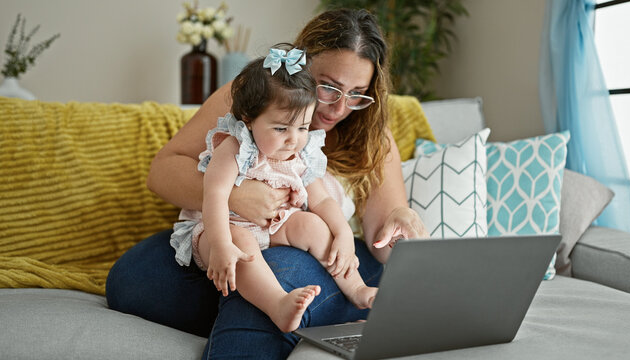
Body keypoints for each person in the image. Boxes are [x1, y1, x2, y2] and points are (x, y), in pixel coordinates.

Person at [106, 8, 427, 358]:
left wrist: (400, 218)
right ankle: (253, 299)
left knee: (275, 278)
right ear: (300, 67)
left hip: (327, 259)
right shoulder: (250, 98)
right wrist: (236, 196)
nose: (338, 109)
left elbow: (377, 235)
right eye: (329, 88)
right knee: (133, 278)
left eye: (357, 94)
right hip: (232, 234)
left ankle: (269, 306)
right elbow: (163, 172)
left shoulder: (372, 137)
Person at [170, 46, 378, 333]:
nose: (294, 140)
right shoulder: (234, 148)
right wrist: (220, 245)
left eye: (303, 128)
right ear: (249, 119)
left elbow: (321, 200)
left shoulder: (302, 154)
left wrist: (343, 234)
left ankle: (355, 288)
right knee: (240, 239)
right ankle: (277, 303)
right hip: (219, 229)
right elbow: (215, 196)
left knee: (312, 224)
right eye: (281, 129)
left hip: (272, 227)